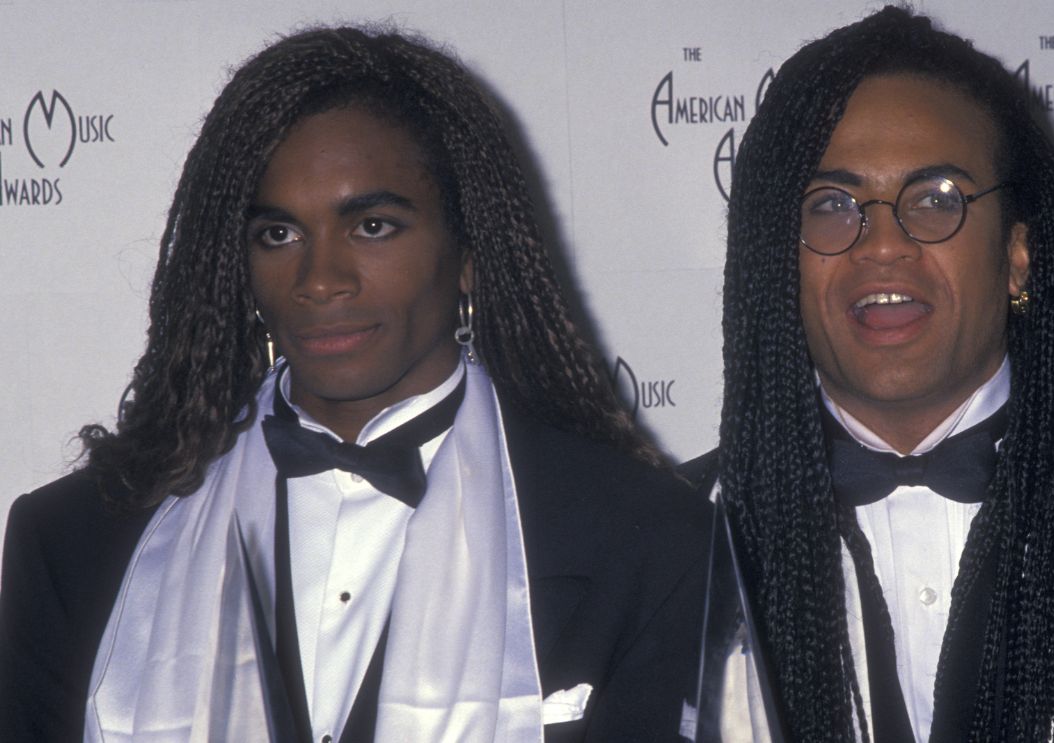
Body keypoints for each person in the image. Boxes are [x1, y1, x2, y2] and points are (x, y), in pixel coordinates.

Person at [0, 27, 711, 743]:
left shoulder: (643, 540)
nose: (319, 280)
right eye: (278, 235)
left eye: (372, 226)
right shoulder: (74, 542)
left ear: (467, 254)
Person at [686, 7, 1054, 742]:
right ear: (777, 261)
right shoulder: (672, 550)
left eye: (935, 199)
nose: (882, 244)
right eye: (831, 205)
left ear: (1017, 252)